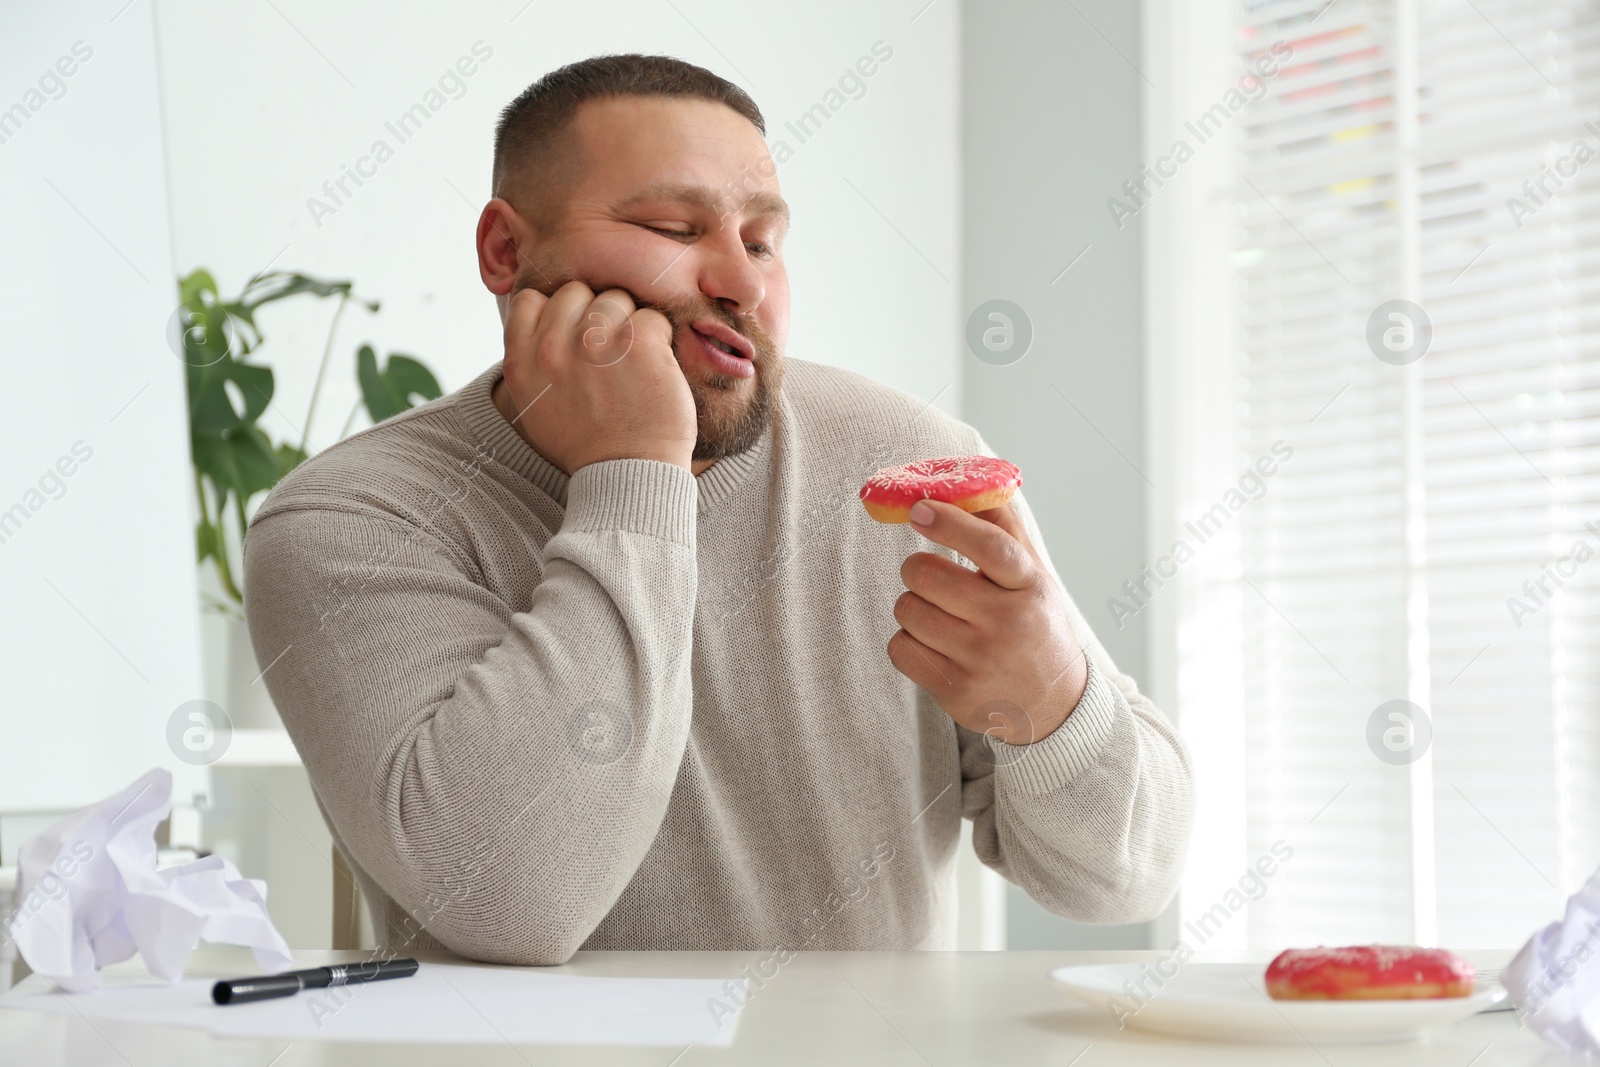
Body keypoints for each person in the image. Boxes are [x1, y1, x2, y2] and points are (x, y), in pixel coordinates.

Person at [242, 53, 1194, 965]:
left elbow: (1123, 881)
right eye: (672, 227)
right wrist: (632, 470)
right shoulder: (352, 519)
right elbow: (514, 903)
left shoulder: (904, 466)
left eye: (763, 241)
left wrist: (1052, 704)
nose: (741, 281)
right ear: (505, 248)